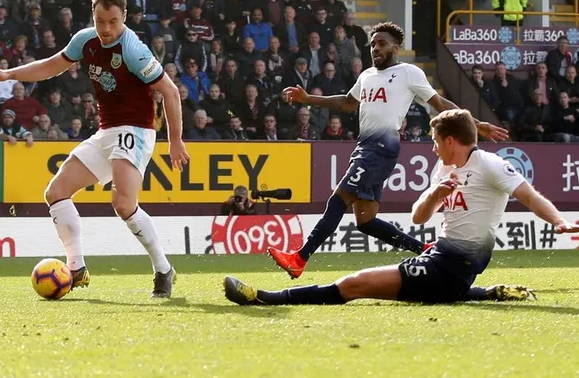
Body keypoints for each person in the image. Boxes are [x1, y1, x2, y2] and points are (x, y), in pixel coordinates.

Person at [226, 109, 579, 306]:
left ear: (450, 141)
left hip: (453, 265)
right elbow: (419, 216)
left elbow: (530, 195)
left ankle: (266, 298)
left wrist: (559, 221)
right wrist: (436, 194)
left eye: (435, 141)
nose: (432, 148)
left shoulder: (489, 165)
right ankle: (485, 292)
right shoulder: (444, 169)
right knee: (404, 286)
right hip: (441, 259)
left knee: (355, 284)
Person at [0, 0, 189, 298]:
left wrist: (175, 141)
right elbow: (51, 66)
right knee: (56, 192)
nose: (106, 29)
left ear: (124, 18)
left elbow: (170, 92)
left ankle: (163, 269)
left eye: (113, 21)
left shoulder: (133, 49)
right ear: (93, 16)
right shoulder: (84, 40)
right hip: (106, 130)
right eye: (100, 20)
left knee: (122, 203)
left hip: (136, 129)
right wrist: (10, 75)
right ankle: (76, 268)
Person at [269, 22, 509, 279]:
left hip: (380, 148)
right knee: (366, 221)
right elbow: (348, 103)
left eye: (381, 43)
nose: (375, 48)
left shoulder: (409, 73)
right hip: (366, 147)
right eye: (372, 44)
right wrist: (308, 99)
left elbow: (440, 103)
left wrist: (476, 124)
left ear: (396, 47)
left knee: (338, 200)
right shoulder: (367, 75)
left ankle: (300, 258)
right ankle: (425, 250)